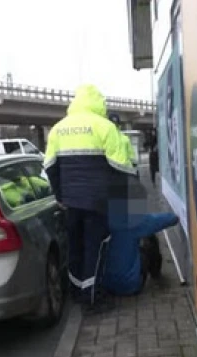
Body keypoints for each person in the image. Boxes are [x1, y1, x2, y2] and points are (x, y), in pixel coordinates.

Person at [44, 84, 135, 310]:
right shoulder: (104, 127)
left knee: (75, 247)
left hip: (71, 203)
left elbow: (50, 166)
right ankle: (93, 298)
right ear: (98, 103)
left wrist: (60, 195)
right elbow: (121, 168)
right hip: (98, 202)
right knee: (95, 249)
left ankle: (76, 291)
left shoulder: (58, 129)